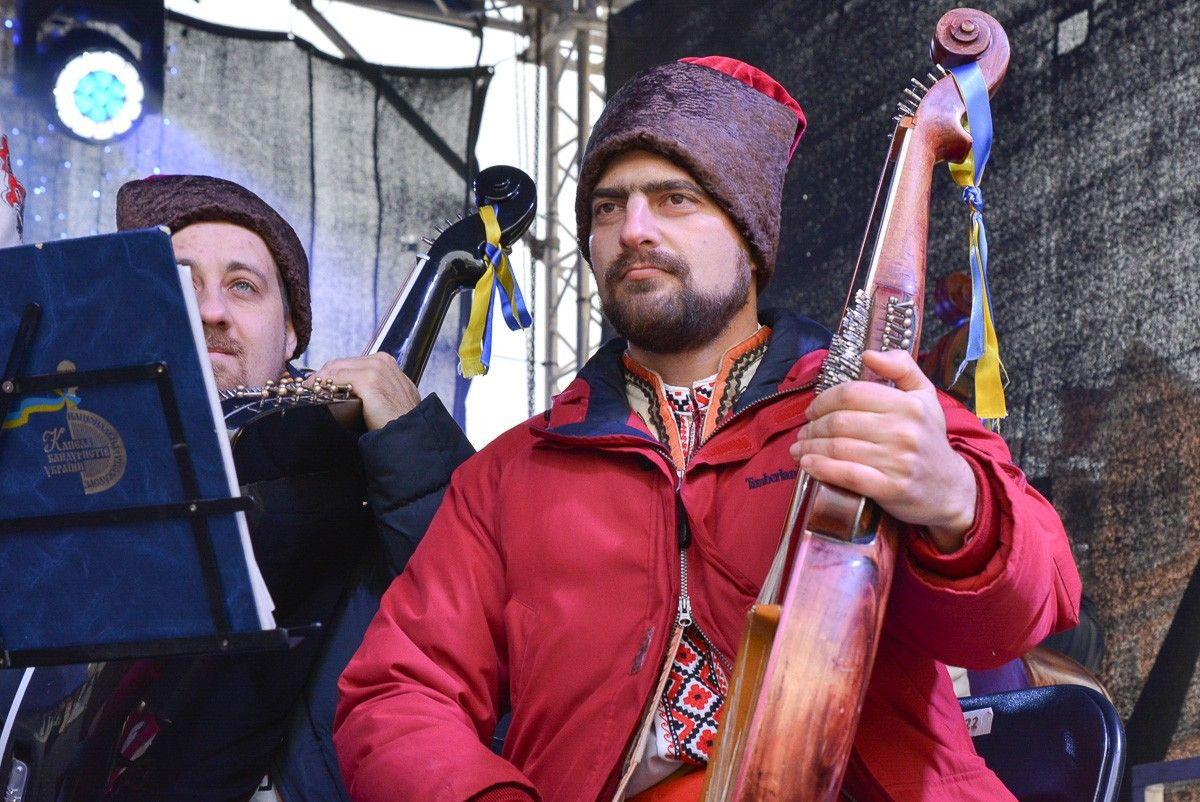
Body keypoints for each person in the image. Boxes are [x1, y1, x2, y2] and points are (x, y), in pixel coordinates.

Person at [333, 57, 1082, 802]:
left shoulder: (872, 407)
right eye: (607, 207)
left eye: (675, 199)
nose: (633, 230)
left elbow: (1026, 608)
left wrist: (955, 501)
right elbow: (396, 695)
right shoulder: (509, 473)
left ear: (749, 237)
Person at [56, 174, 474, 801]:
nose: (211, 311)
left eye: (243, 286)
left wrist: (410, 443)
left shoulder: (364, 481)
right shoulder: (57, 477)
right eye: (179, 283)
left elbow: (490, 612)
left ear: (292, 333)